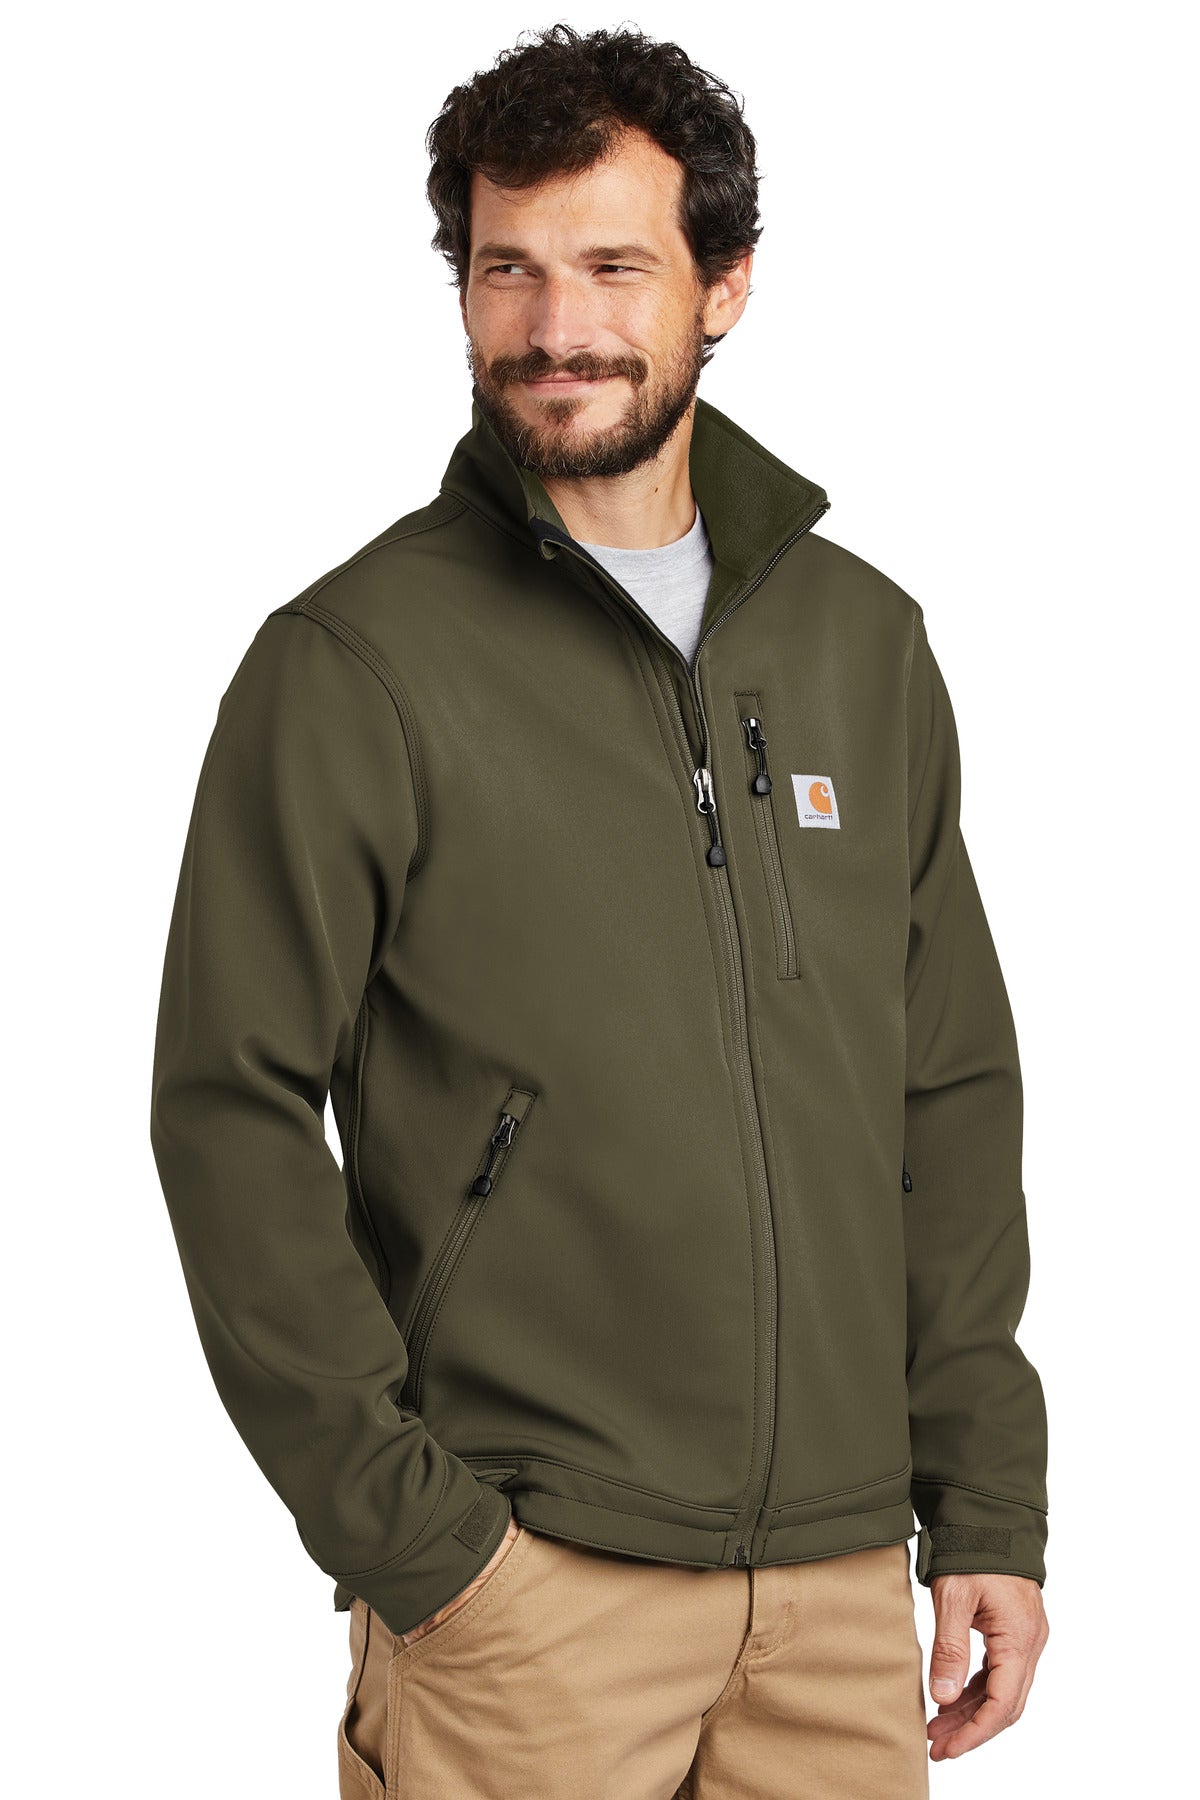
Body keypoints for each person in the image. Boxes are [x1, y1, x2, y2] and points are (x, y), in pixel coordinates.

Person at [149, 23, 1050, 1798]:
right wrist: (418, 1541)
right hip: (527, 1594)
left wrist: (987, 1504)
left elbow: (944, 1093)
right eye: (509, 268)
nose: (554, 326)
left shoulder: (862, 646)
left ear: (726, 284)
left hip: (842, 1593)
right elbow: (228, 1109)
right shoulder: (354, 664)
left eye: (615, 268)